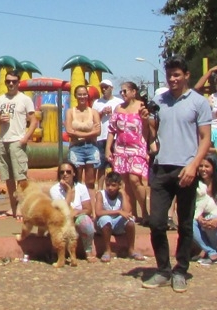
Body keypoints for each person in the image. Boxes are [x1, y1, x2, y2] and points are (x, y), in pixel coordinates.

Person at [140, 57, 213, 292]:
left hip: (186, 168)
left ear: (186, 75)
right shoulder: (158, 101)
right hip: (161, 167)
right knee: (157, 222)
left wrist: (194, 165)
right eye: (169, 75)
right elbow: (150, 135)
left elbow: (206, 138)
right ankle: (163, 270)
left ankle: (180, 270)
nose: (172, 79)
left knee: (185, 223)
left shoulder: (199, 102)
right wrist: (144, 121)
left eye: (177, 75)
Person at [0, 72, 39, 220]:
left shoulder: (25, 99)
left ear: (18, 82)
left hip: (17, 141)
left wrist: (25, 138)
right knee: (8, 177)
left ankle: (22, 208)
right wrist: (0, 120)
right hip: (2, 141)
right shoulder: (0, 99)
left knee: (21, 177)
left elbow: (33, 120)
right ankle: (13, 208)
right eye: (8, 81)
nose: (11, 84)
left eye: (13, 81)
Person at [106, 81, 152, 223]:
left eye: (125, 91)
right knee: (125, 182)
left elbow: (148, 128)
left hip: (137, 148)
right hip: (120, 149)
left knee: (135, 179)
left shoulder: (142, 107)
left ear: (133, 92)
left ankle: (145, 212)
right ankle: (132, 212)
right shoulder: (118, 108)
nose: (122, 94)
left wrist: (148, 148)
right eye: (121, 91)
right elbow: (112, 130)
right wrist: (108, 148)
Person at [50, 164, 96, 262]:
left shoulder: (81, 188)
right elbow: (63, 209)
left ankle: (88, 251)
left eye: (68, 172)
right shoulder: (54, 190)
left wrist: (77, 212)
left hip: (77, 218)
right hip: (62, 219)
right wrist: (69, 191)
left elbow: (88, 209)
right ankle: (60, 254)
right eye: (62, 172)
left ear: (74, 173)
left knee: (87, 223)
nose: (65, 174)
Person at [94, 172, 139, 262]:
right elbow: (98, 212)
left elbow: (127, 211)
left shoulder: (121, 195)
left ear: (119, 185)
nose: (110, 188)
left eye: (113, 185)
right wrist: (118, 211)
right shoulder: (101, 194)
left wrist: (123, 194)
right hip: (103, 224)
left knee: (130, 220)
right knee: (105, 219)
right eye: (108, 185)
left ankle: (131, 249)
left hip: (117, 224)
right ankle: (107, 250)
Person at [65, 85, 103, 190]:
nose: (82, 97)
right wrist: (90, 133)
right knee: (76, 180)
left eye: (84, 94)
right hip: (76, 148)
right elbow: (69, 131)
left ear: (87, 95)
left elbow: (98, 132)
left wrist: (78, 134)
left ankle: (90, 200)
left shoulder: (93, 112)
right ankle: (76, 199)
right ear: (75, 96)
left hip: (91, 147)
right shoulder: (70, 112)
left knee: (90, 181)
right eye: (80, 94)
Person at [191, 157, 217, 266]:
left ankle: (211, 253)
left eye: (207, 166)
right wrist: (199, 217)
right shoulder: (195, 184)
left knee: (210, 220)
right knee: (190, 223)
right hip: (200, 216)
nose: (203, 169)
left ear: (213, 168)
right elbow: (195, 205)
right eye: (201, 166)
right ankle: (212, 253)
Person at [92, 79, 123, 166]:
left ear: (111, 88)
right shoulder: (97, 102)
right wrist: (102, 112)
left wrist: (113, 114)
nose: (103, 89)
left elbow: (124, 119)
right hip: (101, 137)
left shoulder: (120, 102)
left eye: (106, 87)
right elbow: (93, 119)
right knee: (100, 165)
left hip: (116, 137)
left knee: (116, 164)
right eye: (102, 87)